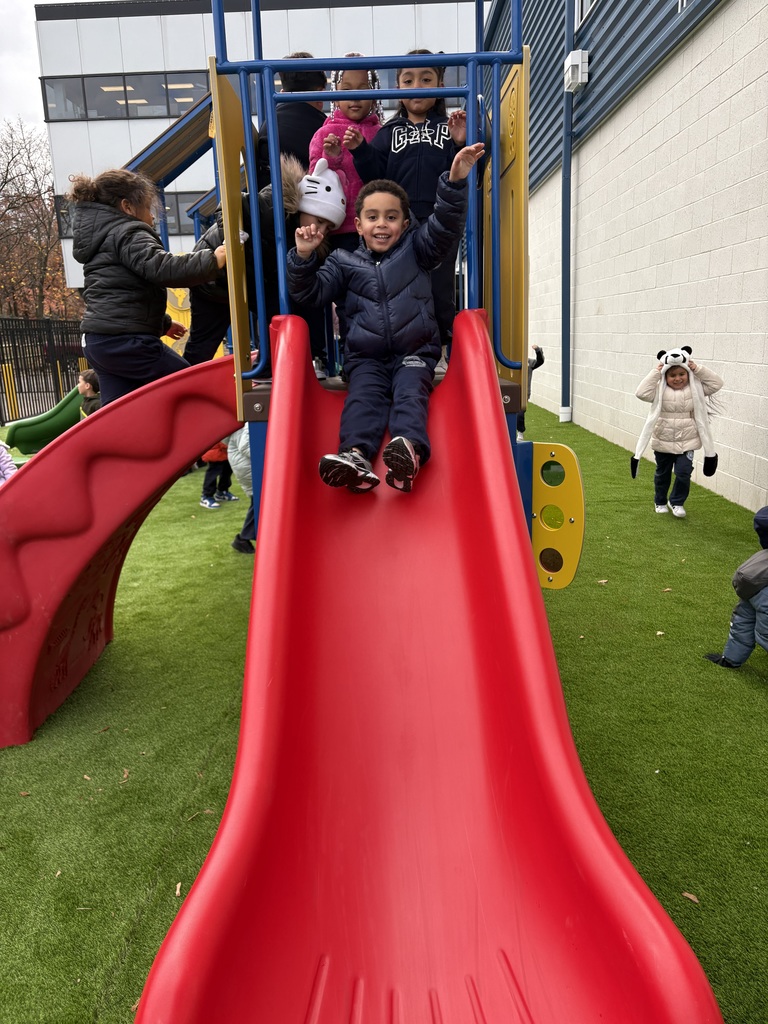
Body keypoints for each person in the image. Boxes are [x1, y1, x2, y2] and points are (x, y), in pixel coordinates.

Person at [288, 142, 485, 493]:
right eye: (373, 217)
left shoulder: (418, 249)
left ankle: (408, 449)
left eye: (391, 217)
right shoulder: (342, 262)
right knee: (363, 398)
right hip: (366, 357)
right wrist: (303, 257)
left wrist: (454, 182)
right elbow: (310, 294)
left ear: (405, 223)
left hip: (415, 351)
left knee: (411, 392)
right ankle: (355, 457)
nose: (382, 224)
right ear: (359, 225)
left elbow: (444, 226)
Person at [68, 169, 225, 407]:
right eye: (149, 210)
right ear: (128, 207)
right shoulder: (129, 231)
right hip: (127, 343)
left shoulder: (101, 238)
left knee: (119, 412)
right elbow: (162, 267)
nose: (152, 218)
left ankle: (119, 443)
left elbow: (120, 294)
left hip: (98, 342)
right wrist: (213, 259)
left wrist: (162, 324)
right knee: (192, 385)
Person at [346, 50, 467, 357]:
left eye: (426, 79)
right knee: (402, 284)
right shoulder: (389, 133)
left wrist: (458, 143)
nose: (417, 86)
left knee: (440, 285)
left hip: (440, 218)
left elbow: (460, 171)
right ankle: (404, 348)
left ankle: (440, 347)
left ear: (440, 84)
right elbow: (375, 178)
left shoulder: (448, 126)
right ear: (398, 89)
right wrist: (361, 151)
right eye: (408, 80)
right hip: (403, 222)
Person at [184, 156, 347, 378]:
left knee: (280, 305)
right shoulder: (274, 203)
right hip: (214, 278)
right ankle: (179, 385)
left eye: (328, 227)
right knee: (203, 343)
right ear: (305, 205)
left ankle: (283, 363)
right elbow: (231, 204)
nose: (321, 229)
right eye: (319, 221)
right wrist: (231, 236)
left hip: (251, 279)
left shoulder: (306, 238)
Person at [631, 346, 723, 517]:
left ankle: (677, 502)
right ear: (666, 376)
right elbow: (641, 393)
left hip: (687, 441)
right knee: (662, 473)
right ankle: (660, 501)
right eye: (672, 375)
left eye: (682, 374)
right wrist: (656, 372)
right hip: (663, 441)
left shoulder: (696, 389)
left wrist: (697, 368)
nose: (678, 378)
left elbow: (717, 383)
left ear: (688, 373)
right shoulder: (659, 389)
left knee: (683, 472)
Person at [308, 54, 383, 256]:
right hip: (338, 229)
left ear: (374, 93)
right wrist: (331, 157)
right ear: (336, 94)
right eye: (347, 89)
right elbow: (315, 181)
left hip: (377, 228)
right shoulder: (324, 133)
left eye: (362, 88)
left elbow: (387, 177)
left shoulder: (382, 133)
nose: (355, 96)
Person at [705, 507, 768, 668]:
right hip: (759, 584)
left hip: (750, 582)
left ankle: (731, 659)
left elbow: (743, 624)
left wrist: (730, 659)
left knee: (745, 620)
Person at [256, 52, 327, 189]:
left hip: (271, 202)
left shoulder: (269, 124)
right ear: (320, 94)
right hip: (316, 202)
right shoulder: (325, 128)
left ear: (282, 94)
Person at [227, 426, 255, 553]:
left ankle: (245, 538)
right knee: (259, 502)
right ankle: (243, 538)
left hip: (244, 467)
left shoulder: (238, 426)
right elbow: (245, 446)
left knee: (258, 502)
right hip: (248, 468)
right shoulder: (248, 423)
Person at [199, 439, 240, 510]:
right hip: (216, 449)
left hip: (224, 449)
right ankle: (206, 496)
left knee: (227, 471)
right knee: (213, 473)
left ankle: (222, 492)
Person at [517, 345, 544, 441]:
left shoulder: (529, 363)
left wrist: (538, 351)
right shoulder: (509, 362)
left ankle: (520, 432)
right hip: (512, 391)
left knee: (520, 413)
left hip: (524, 392)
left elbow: (540, 361)